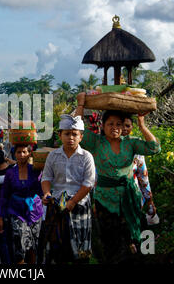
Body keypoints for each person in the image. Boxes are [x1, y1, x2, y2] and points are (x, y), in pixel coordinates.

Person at [74, 92, 161, 263]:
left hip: (129, 197)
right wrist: (81, 105)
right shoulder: (96, 142)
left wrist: (142, 125)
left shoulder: (131, 143)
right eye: (110, 124)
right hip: (105, 199)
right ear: (103, 125)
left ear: (123, 126)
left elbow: (154, 148)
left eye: (119, 124)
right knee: (110, 241)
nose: (115, 127)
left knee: (133, 239)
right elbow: (77, 129)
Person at [40, 115, 96, 264]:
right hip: (58, 205)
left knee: (81, 251)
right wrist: (46, 193)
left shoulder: (86, 157)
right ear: (60, 135)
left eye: (74, 134)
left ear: (81, 137)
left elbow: (88, 183)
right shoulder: (52, 156)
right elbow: (46, 178)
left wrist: (73, 201)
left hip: (80, 206)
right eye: (67, 133)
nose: (70, 137)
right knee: (58, 250)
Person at [0, 145, 44, 264]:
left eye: (24, 152)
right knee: (19, 243)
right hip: (16, 211)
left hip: (34, 211)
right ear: (15, 154)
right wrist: (0, 218)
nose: (22, 155)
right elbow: (4, 196)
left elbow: (41, 190)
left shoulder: (36, 170)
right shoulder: (10, 173)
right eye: (19, 152)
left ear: (29, 154)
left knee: (33, 245)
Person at [122, 115, 157, 222]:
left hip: (133, 196)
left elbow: (143, 175)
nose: (124, 129)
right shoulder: (104, 146)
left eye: (127, 126)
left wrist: (149, 199)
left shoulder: (135, 146)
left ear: (132, 127)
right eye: (121, 125)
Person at [0, 148, 15, 264]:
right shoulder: (14, 170)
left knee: (1, 242)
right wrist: (7, 159)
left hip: (0, 213)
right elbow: (19, 163)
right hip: (15, 210)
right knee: (13, 241)